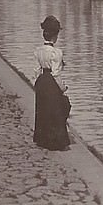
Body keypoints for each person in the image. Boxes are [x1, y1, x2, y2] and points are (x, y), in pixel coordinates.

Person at [32, 15, 70, 150]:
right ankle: (57, 141)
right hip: (51, 82)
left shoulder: (38, 51)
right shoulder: (56, 52)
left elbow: (36, 70)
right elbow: (56, 73)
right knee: (57, 110)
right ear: (55, 36)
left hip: (42, 80)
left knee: (43, 109)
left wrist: (37, 83)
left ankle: (42, 139)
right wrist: (62, 87)